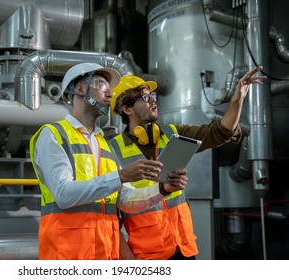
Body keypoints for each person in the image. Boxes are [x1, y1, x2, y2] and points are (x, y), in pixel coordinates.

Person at [29, 62, 188, 260]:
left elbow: (125, 201)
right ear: (80, 89)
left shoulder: (104, 144)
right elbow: (63, 194)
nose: (110, 94)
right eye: (101, 85)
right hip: (68, 256)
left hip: (105, 255)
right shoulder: (53, 135)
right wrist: (121, 176)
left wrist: (163, 189)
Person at [108, 66, 266, 260]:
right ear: (127, 108)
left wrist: (237, 99)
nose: (153, 100)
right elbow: (111, 216)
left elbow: (219, 132)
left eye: (153, 95)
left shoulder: (171, 134)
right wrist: (128, 260)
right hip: (147, 256)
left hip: (182, 249)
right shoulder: (111, 151)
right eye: (145, 97)